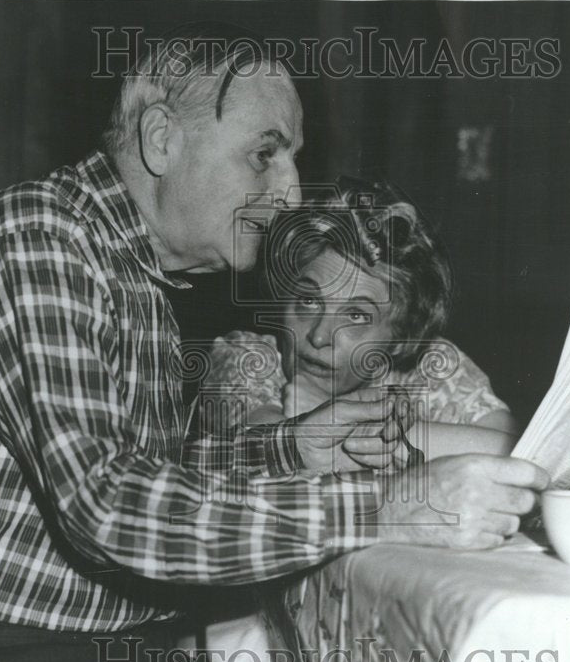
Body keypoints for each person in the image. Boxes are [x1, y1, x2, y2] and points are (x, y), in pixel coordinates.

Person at [0, 23, 548, 662]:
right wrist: (389, 507)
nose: (292, 189)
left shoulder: (135, 276)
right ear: (160, 140)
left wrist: (291, 448)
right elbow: (109, 504)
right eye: (264, 154)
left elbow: (157, 474)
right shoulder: (38, 239)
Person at [200, 178, 518, 463]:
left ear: (401, 336)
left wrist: (336, 419)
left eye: (355, 315)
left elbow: (518, 455)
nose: (320, 337)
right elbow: (273, 452)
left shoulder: (430, 366)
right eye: (308, 301)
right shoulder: (247, 357)